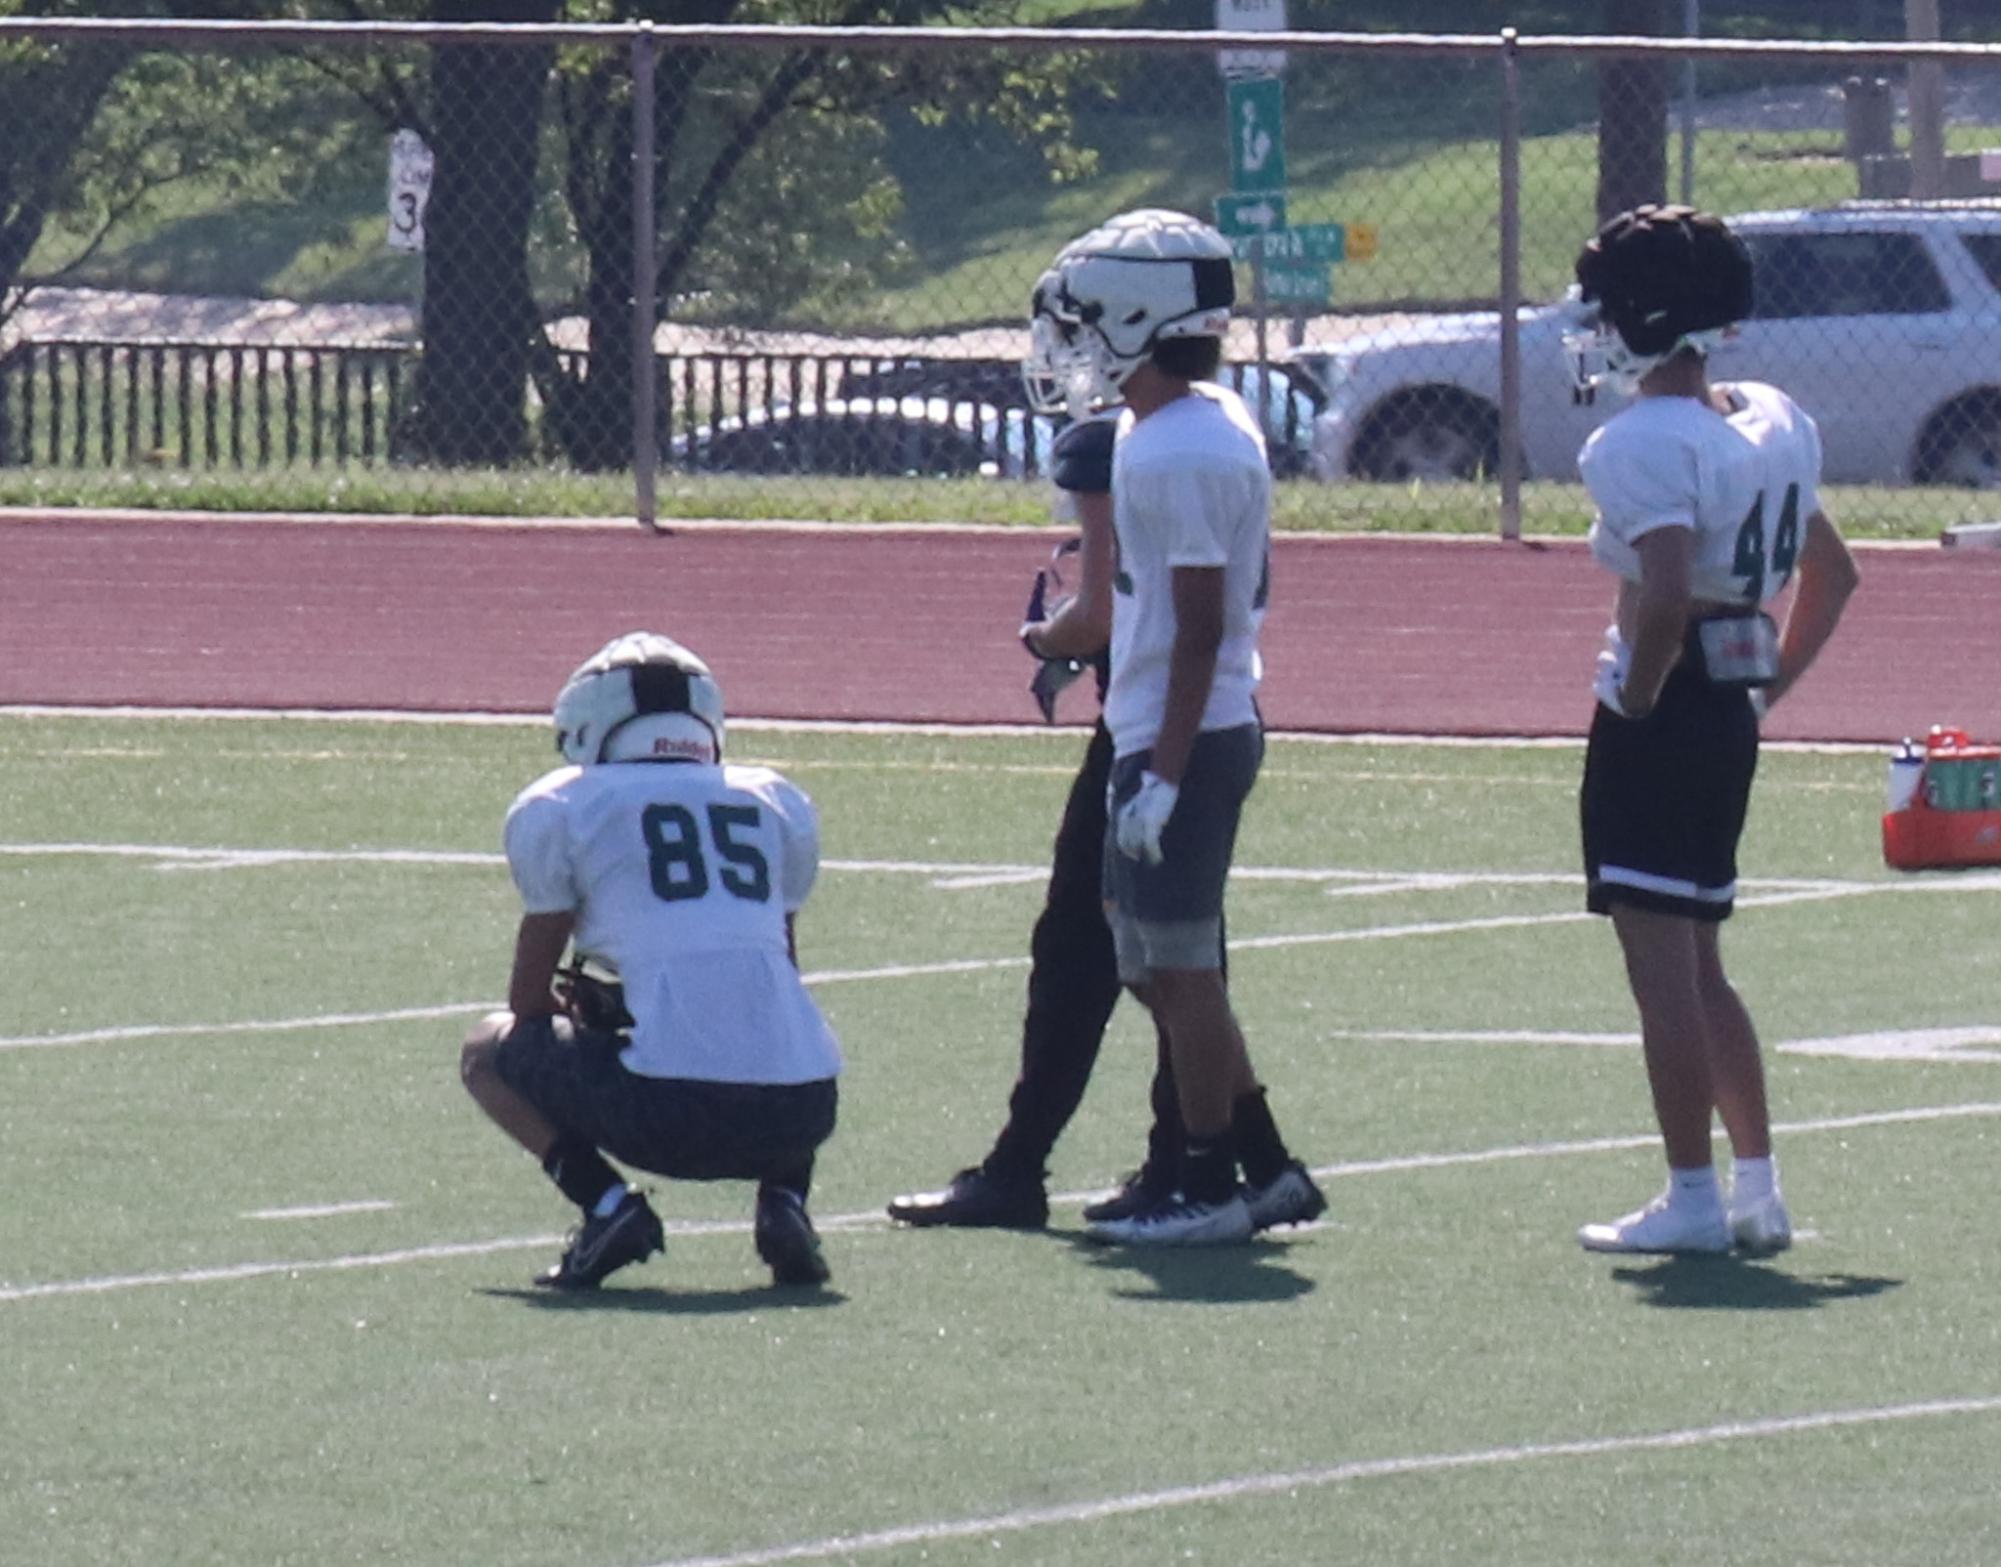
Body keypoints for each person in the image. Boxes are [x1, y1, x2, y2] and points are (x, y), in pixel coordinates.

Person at [1018, 206, 1325, 1246]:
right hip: (1172, 724)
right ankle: (1268, 1163)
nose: (1069, 346)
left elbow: (1197, 629)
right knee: (1153, 966)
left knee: (1183, 968)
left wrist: (1162, 774)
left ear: (1134, 318)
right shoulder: (1182, 425)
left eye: (1082, 321)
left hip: (1183, 731)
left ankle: (1207, 1178)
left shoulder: (1177, 446)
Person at [1564, 204, 1859, 1255]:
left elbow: (1666, 582)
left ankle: (1692, 1195)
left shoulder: (1641, 439)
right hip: (1727, 705)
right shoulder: (1769, 416)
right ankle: (1757, 1189)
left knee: (1662, 973)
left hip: (1669, 710)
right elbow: (1835, 570)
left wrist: (1637, 696)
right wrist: (1766, 689)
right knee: (1702, 962)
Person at [459, 631, 843, 1289]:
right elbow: (775, 970)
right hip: (803, 1110)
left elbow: (527, 1002)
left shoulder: (563, 806)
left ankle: (606, 1205)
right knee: (779, 1021)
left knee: (485, 1050)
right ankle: (785, 1201)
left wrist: (597, 1022)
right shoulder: (774, 800)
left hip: (667, 1119)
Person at [884, 407, 1189, 1230]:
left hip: (1152, 728)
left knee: (1117, 954)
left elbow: (1098, 615)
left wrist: (1041, 637)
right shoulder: (1210, 436)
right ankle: (1184, 1156)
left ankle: (1175, 1160)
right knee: (1163, 955)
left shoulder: (1118, 446)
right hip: (1190, 723)